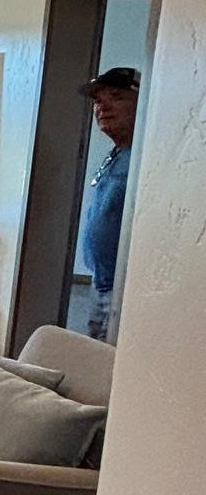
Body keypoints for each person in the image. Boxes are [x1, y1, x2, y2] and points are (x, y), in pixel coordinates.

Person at [79, 65, 140, 339]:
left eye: (116, 96)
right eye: (97, 100)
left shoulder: (144, 156)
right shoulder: (119, 152)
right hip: (101, 283)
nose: (102, 106)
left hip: (125, 291)